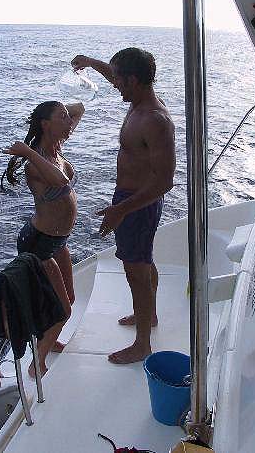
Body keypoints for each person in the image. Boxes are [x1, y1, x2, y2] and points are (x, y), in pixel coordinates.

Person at [71, 48, 176, 364]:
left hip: (137, 205)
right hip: (133, 202)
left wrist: (122, 209)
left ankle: (142, 344)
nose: (113, 83)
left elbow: (165, 181)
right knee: (143, 260)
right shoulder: (138, 103)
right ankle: (151, 316)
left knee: (135, 271)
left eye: (118, 79)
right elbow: (112, 74)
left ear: (132, 80)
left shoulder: (154, 120)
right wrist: (91, 63)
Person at [2, 100, 85, 376]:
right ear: (46, 125)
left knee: (69, 298)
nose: (69, 122)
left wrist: (82, 72)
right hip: (40, 244)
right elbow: (61, 181)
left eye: (66, 117)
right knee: (62, 308)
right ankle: (37, 364)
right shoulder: (35, 164)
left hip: (58, 240)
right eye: (62, 118)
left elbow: (79, 107)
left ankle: (47, 339)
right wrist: (26, 150)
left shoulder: (56, 149)